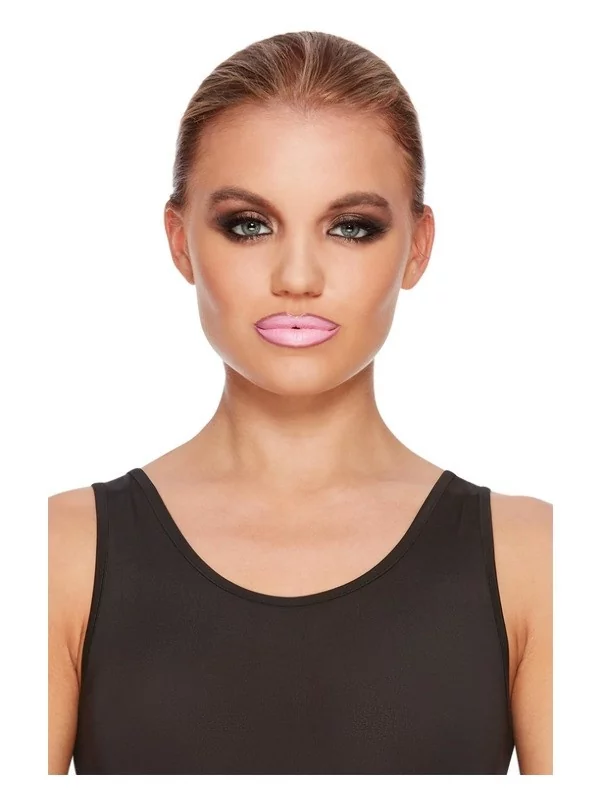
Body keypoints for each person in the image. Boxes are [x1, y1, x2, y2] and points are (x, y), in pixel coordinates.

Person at [48, 30, 552, 775]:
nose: (297, 277)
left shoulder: (534, 558)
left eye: (351, 228)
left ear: (417, 247)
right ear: (180, 241)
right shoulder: (58, 553)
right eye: (249, 225)